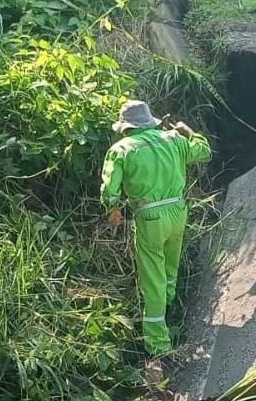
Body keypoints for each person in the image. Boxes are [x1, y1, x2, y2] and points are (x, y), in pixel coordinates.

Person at [100, 100, 211, 355]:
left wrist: (112, 208)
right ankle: (170, 306)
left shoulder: (121, 149)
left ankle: (158, 343)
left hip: (149, 216)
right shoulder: (173, 139)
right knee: (170, 266)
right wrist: (188, 131)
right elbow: (204, 152)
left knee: (152, 278)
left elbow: (110, 189)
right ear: (150, 121)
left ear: (125, 127)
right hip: (178, 211)